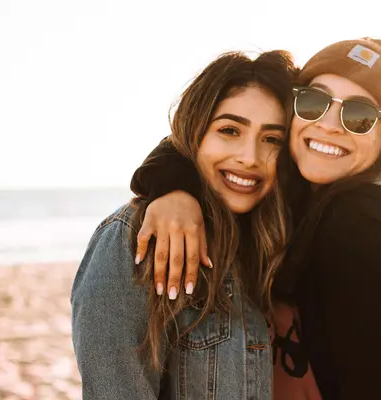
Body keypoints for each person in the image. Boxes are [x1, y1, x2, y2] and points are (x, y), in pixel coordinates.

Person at [131, 38, 381, 399]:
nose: (330, 125)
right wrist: (174, 188)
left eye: (359, 116)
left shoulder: (374, 230)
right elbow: (193, 135)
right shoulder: (299, 187)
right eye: (314, 102)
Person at [70, 49, 317, 399]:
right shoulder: (133, 239)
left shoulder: (274, 239)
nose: (250, 157)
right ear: (194, 132)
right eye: (229, 130)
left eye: (272, 139)